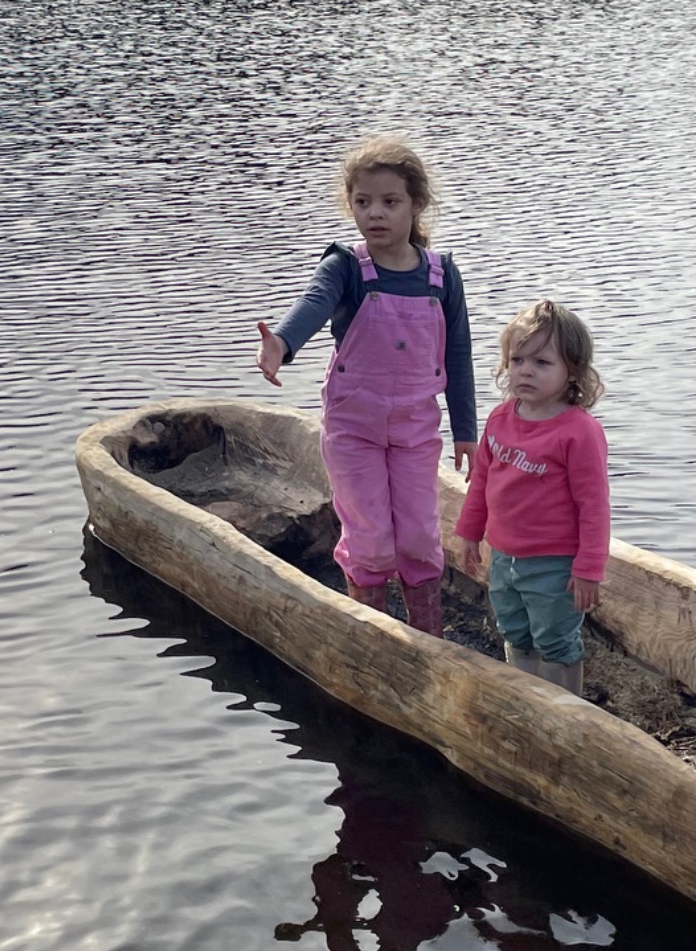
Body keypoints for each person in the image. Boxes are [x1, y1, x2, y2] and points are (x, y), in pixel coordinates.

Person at [256, 134, 477, 636]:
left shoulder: (443, 277)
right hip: (354, 430)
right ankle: (373, 633)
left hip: (415, 432)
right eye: (363, 202)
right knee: (372, 539)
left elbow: (458, 354)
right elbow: (312, 304)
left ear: (416, 204)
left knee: (420, 538)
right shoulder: (346, 268)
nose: (375, 213)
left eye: (390, 202)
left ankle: (428, 634)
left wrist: (467, 429)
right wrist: (282, 345)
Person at [450, 298, 609, 694]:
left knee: (555, 639)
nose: (526, 371)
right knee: (515, 631)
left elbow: (594, 507)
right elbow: (482, 482)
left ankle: (567, 714)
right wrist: (469, 534)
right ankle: (524, 699)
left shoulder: (578, 432)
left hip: (554, 564)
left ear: (572, 372)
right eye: (518, 360)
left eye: (542, 363)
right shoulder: (501, 418)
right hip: (504, 556)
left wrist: (588, 569)